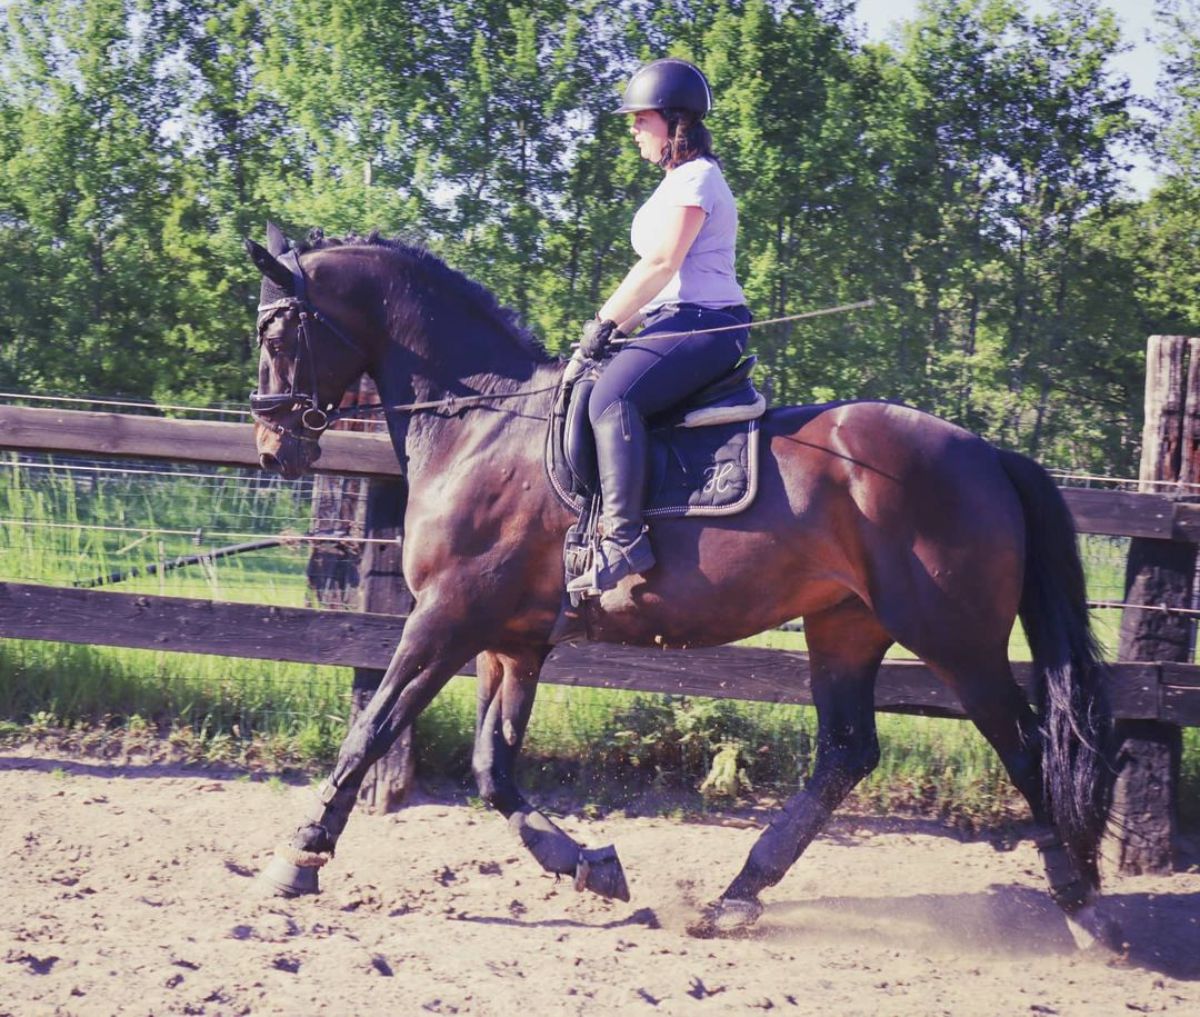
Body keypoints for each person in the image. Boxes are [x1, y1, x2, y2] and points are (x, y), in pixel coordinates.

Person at [566, 57, 752, 597]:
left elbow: (662, 263)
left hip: (704, 323)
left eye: (641, 121)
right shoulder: (676, 180)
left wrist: (605, 322)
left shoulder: (697, 179)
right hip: (673, 320)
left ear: (676, 123)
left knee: (609, 400)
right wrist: (614, 325)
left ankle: (624, 540)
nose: (633, 132)